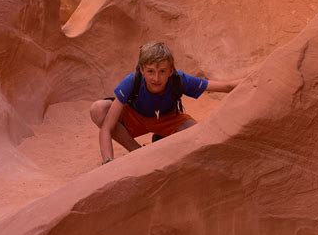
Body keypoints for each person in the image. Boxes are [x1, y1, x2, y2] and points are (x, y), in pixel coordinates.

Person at [90, 41, 241, 164]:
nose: (156, 78)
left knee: (198, 136)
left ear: (171, 71)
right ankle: (137, 152)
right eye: (150, 71)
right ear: (142, 70)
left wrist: (258, 79)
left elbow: (224, 86)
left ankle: (162, 140)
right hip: (135, 118)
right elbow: (107, 128)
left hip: (167, 120)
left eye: (162, 71)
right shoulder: (132, 81)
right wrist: (108, 161)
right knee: (99, 109)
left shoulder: (179, 79)